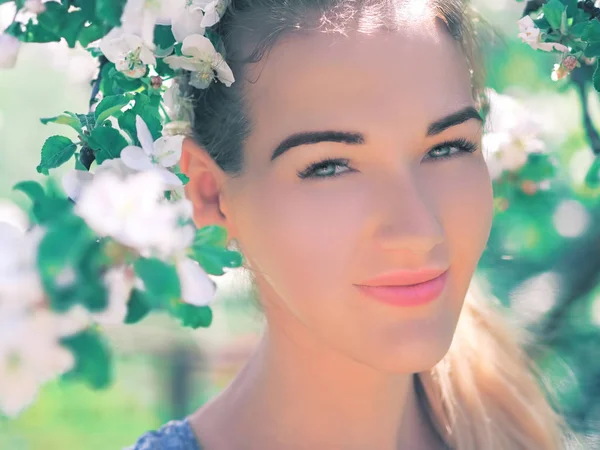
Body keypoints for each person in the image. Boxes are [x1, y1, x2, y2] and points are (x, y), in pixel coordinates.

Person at [127, 0, 570, 448]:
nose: (419, 231)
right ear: (211, 195)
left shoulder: (515, 430)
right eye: (330, 167)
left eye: (447, 147)